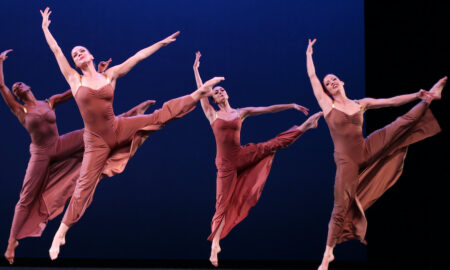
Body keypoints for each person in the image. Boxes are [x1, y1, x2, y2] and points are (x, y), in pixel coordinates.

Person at [40, 7, 224, 260]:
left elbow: (137, 57)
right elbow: (57, 51)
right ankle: (60, 232)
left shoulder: (110, 75)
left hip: (117, 127)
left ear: (91, 55)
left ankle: (196, 94)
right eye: (75, 54)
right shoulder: (74, 80)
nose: (78, 54)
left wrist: (160, 43)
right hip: (95, 142)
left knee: (157, 118)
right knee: (83, 186)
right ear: (74, 63)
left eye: (82, 50)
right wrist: (45, 29)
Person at [1, 49, 155, 264]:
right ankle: (10, 243)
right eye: (15, 88)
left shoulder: (49, 102)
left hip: (59, 144)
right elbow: (2, 86)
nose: (17, 87)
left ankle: (133, 117)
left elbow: (82, 89)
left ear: (28, 87)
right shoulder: (20, 110)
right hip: (41, 154)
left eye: (19, 84)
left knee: (97, 132)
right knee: (26, 196)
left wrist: (99, 74)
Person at [305, 39, 444, 270]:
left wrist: (417, 95)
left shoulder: (361, 103)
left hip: (366, 148)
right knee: (340, 206)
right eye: (327, 83)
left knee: (400, 124)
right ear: (327, 90)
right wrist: (309, 54)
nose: (330, 83)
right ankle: (327, 255)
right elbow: (312, 78)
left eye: (333, 79)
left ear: (341, 82)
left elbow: (390, 102)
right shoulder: (327, 105)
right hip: (346, 161)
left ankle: (430, 97)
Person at [193, 51, 323, 266]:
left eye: (222, 89)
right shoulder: (211, 114)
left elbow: (267, 109)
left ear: (227, 95)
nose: (220, 91)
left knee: (272, 144)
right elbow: (200, 92)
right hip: (225, 165)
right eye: (216, 91)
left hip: (242, 155)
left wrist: (291, 105)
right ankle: (214, 245)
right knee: (221, 204)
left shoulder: (240, 112)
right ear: (213, 99)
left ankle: (306, 125)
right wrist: (196, 69)